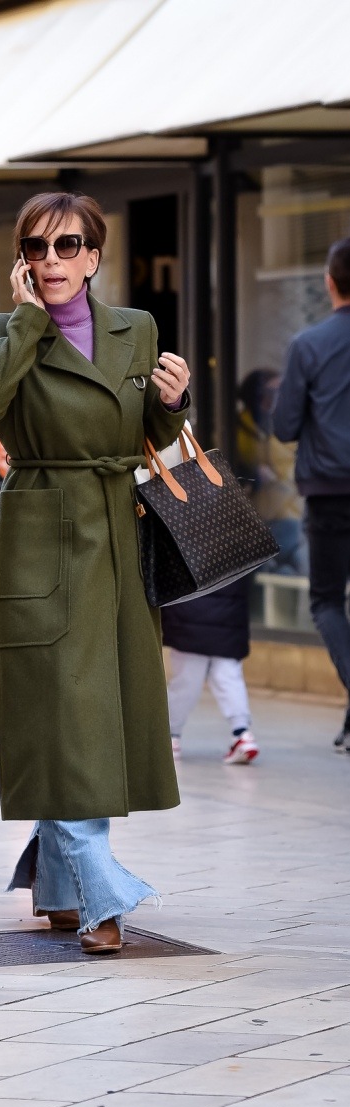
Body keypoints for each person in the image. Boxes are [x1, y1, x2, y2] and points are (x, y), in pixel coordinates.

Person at [0, 192, 191, 953]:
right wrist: (26, 324)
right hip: (41, 534)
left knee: (94, 711)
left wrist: (173, 402)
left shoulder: (136, 328)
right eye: (36, 247)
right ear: (21, 259)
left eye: (67, 246)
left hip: (119, 533)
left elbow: (144, 428)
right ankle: (98, 894)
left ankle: (58, 883)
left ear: (93, 256)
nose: (51, 260)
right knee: (64, 710)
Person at [273, 236, 350, 753]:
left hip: (330, 492)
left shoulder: (309, 345)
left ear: (329, 282)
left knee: (326, 601)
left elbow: (283, 426)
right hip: (329, 489)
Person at [163, 579, 258, 764]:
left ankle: (170, 736)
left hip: (188, 613)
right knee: (229, 678)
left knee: (186, 682)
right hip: (229, 615)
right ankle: (242, 733)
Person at [236, 369, 305, 576]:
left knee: (291, 573)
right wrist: (254, 473)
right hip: (258, 516)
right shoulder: (242, 428)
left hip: (291, 512)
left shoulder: (283, 422)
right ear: (258, 395)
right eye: (273, 391)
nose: (280, 396)